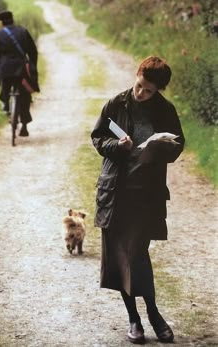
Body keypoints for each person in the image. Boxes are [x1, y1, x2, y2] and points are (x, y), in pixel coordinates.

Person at [91, 56, 185, 344]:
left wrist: (159, 149)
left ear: (159, 91)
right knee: (119, 257)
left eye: (149, 91)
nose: (141, 93)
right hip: (115, 192)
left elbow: (178, 144)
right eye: (140, 86)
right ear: (137, 75)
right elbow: (97, 137)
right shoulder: (116, 104)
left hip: (146, 194)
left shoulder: (166, 109)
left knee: (136, 255)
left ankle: (154, 315)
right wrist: (116, 146)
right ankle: (135, 319)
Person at [0, 10, 39, 137]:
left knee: (5, 87)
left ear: (1, 22)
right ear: (12, 19)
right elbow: (33, 51)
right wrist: (33, 66)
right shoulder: (23, 31)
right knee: (25, 95)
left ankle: (7, 107)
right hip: (22, 69)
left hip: (5, 70)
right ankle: (24, 126)